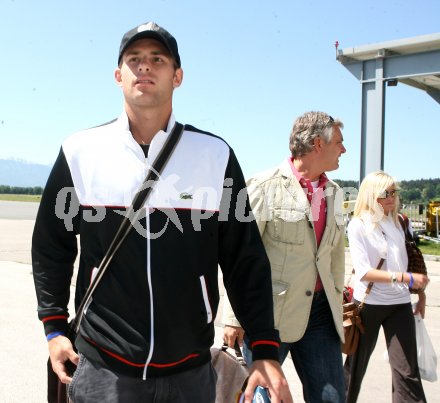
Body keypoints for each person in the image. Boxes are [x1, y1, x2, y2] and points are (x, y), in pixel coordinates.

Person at [32, 22, 292, 403]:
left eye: (158, 59)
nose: (145, 67)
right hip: (104, 367)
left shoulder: (214, 155)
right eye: (134, 60)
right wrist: (54, 329)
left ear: (178, 76)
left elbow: (244, 258)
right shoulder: (80, 151)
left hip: (189, 370)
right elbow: (51, 246)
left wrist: (265, 348)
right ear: (118, 75)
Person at [223, 111, 347, 402]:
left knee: (332, 398)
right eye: (339, 142)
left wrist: (339, 298)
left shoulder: (336, 194)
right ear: (318, 143)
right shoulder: (262, 186)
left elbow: (334, 257)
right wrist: (233, 317)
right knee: (262, 398)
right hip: (270, 316)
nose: (344, 149)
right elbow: (239, 255)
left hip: (320, 316)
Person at [344, 171, 429, 402]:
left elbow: (410, 261)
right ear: (371, 195)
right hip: (368, 305)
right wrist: (405, 279)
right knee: (353, 372)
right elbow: (363, 272)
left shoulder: (400, 221)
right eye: (385, 193)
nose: (391, 197)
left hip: (400, 304)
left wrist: (420, 295)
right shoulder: (358, 225)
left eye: (394, 192)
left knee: (407, 373)